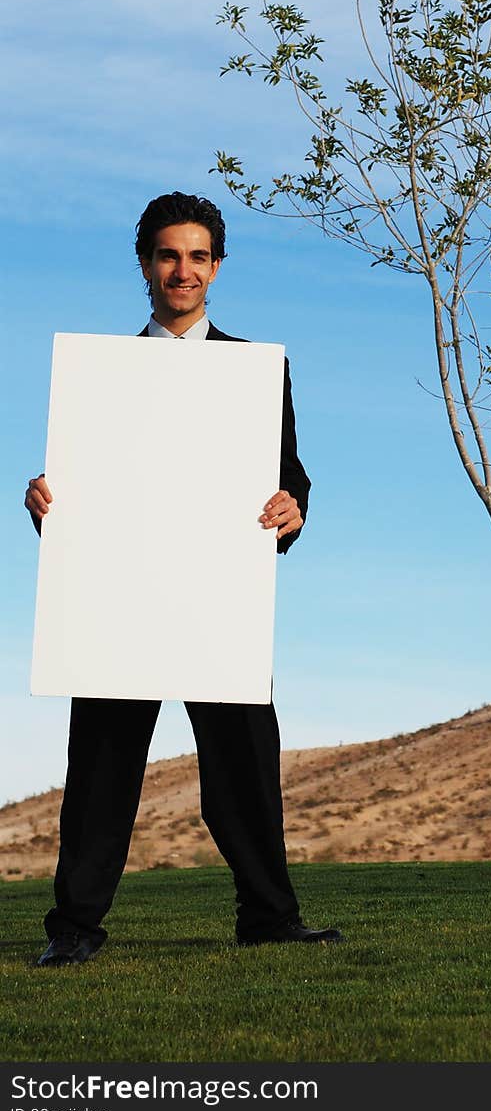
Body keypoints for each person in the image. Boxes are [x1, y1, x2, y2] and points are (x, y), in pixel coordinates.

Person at [24, 191, 342, 966]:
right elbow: (80, 492)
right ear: (145, 264)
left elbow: (289, 476)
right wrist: (47, 505)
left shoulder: (255, 371)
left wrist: (290, 506)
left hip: (218, 601)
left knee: (244, 769)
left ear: (217, 267)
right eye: (169, 254)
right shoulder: (99, 375)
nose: (183, 269)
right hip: (118, 603)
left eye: (198, 256)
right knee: (100, 771)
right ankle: (74, 930)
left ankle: (269, 917)